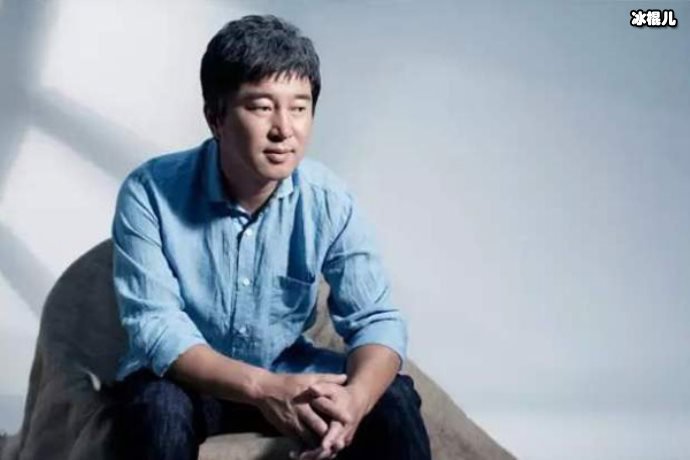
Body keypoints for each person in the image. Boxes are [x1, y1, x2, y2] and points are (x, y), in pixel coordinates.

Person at [110, 14, 431, 460]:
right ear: (215, 117)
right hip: (188, 380)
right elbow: (156, 327)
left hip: (287, 367)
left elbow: (376, 318)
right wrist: (263, 388)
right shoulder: (149, 191)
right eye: (262, 107)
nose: (284, 129)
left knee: (392, 398)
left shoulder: (329, 200)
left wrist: (356, 399)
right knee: (156, 409)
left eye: (299, 108)